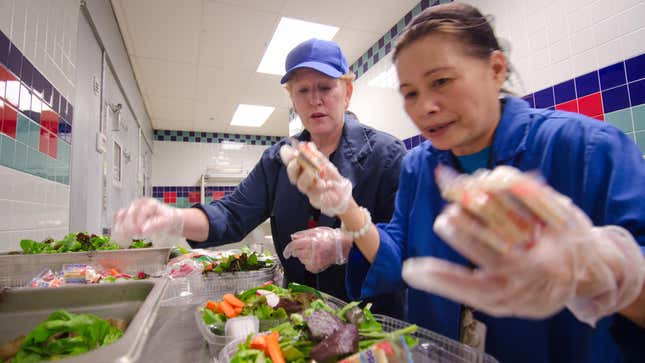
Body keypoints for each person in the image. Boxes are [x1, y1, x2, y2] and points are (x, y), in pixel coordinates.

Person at [280, 3, 645, 362]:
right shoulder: (420, 166)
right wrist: (347, 208)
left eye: (441, 81)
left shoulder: (586, 149)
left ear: (495, 69)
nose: (425, 107)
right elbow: (397, 256)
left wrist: (594, 274)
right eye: (411, 93)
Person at [112, 38, 407, 317]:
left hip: (373, 319)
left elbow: (403, 246)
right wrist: (172, 219)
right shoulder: (278, 159)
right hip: (302, 314)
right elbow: (230, 214)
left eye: (326, 87)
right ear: (291, 97)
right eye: (302, 90)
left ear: (347, 92)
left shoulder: (386, 154)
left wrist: (344, 245)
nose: (315, 100)